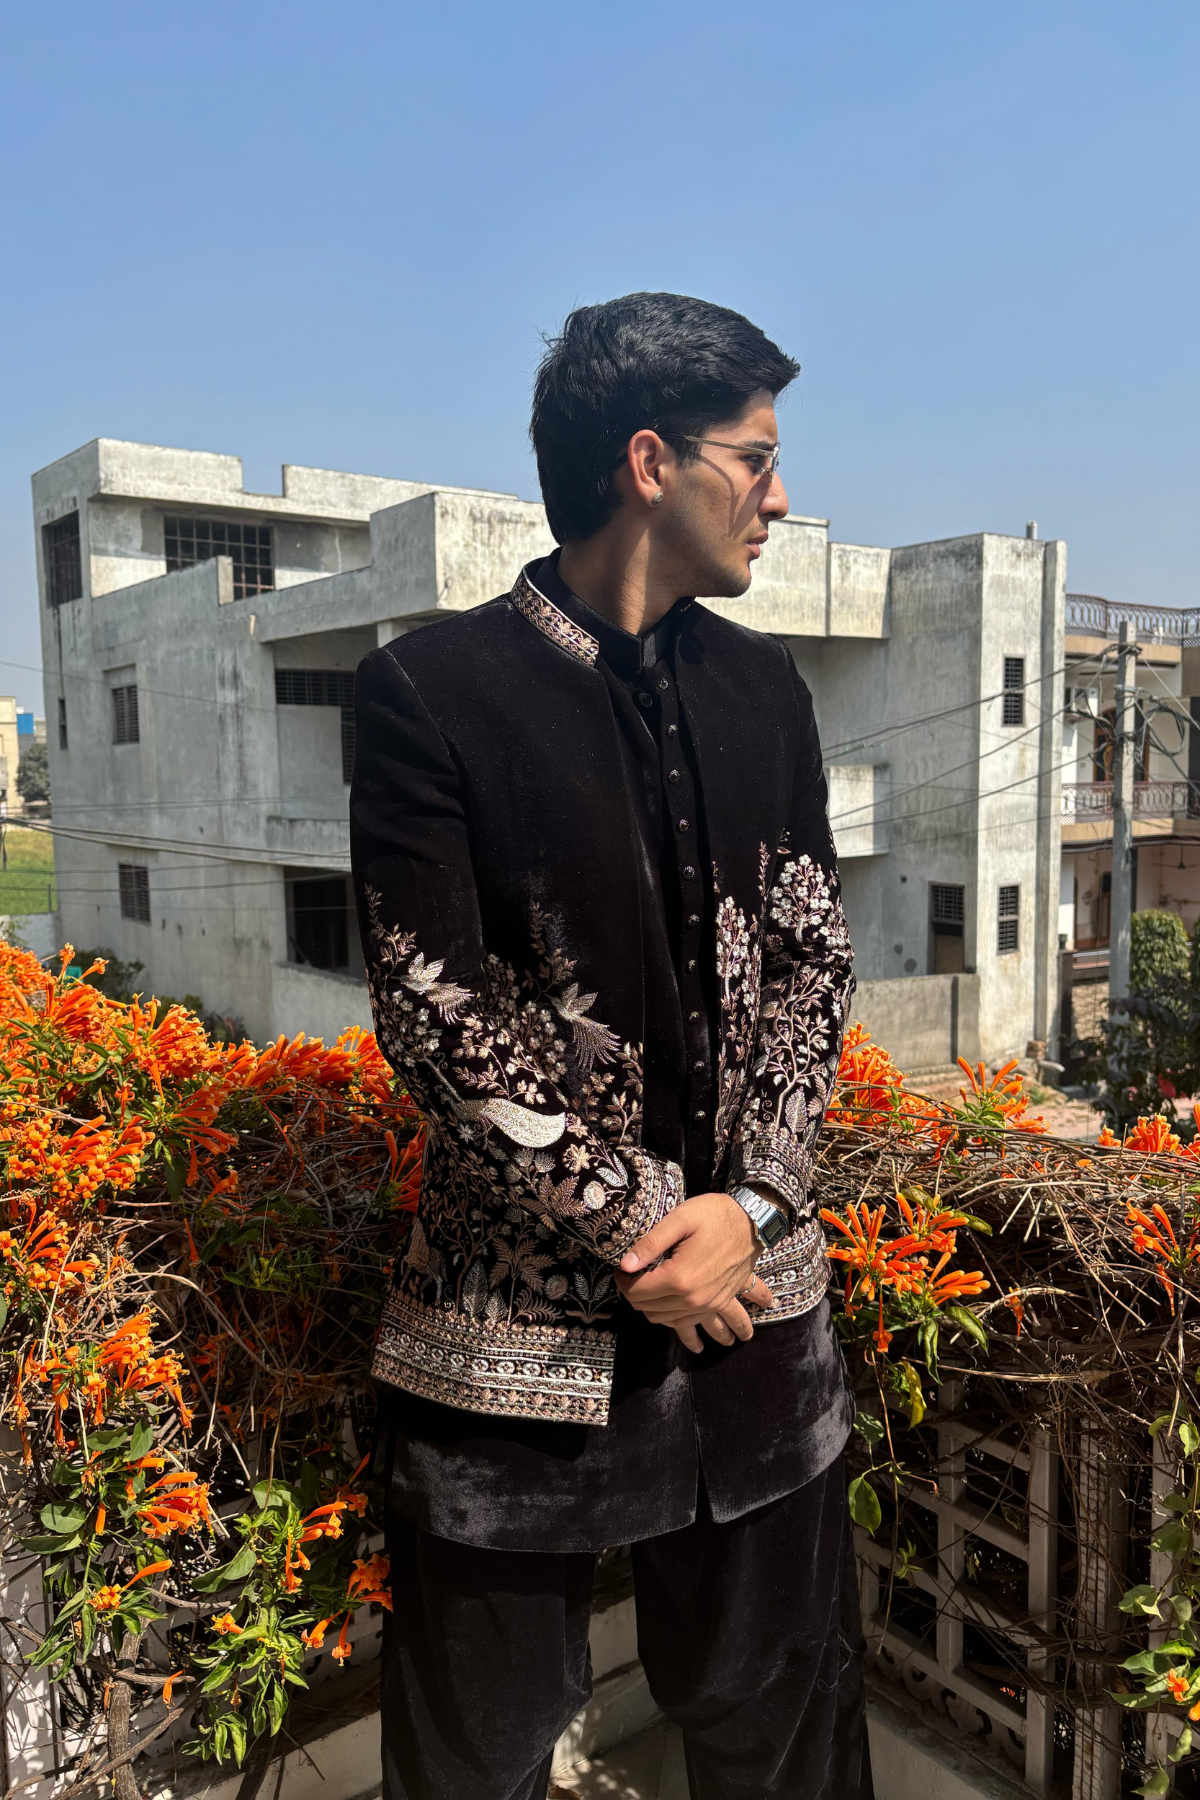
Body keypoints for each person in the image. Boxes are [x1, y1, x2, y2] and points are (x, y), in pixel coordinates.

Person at [350, 291, 872, 1800]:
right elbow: (437, 1016)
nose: (780, 497)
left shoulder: (766, 690)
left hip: (758, 1318)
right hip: (509, 1349)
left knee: (782, 1730)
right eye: (755, 458)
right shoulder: (428, 696)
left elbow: (813, 964)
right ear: (651, 462)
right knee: (478, 1754)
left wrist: (748, 1209)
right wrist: (651, 1228)